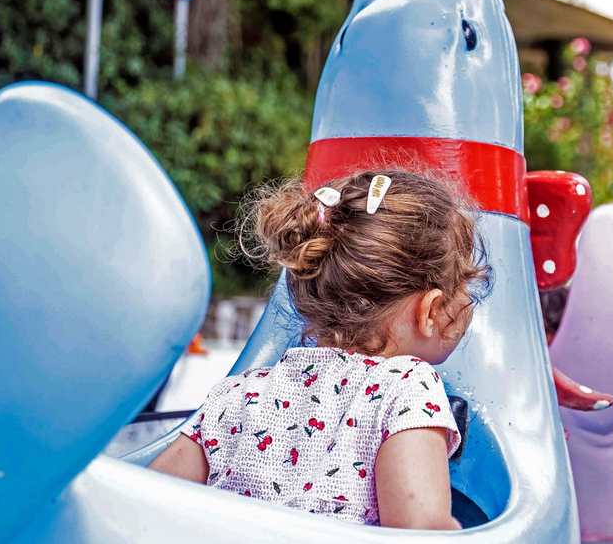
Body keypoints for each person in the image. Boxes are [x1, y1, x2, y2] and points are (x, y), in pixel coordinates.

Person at [150, 170, 491, 530]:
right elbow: (420, 530)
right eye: (468, 289)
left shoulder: (239, 393)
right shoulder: (407, 385)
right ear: (431, 311)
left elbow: (151, 501)